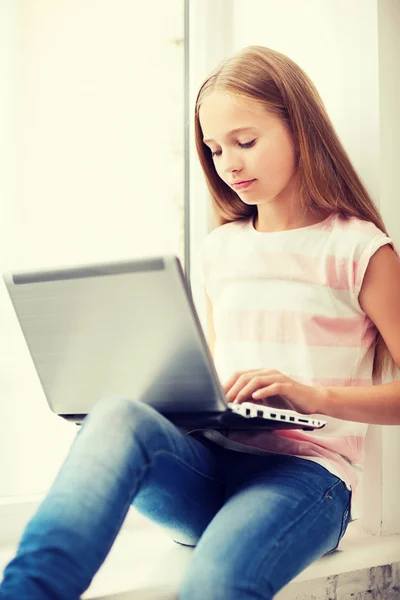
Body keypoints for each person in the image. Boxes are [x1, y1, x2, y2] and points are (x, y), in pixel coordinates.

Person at [1, 45, 400, 600]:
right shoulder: (220, 250)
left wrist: (311, 396)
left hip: (309, 479)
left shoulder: (360, 249)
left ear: (300, 128)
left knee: (213, 585)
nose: (228, 164)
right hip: (210, 464)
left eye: (245, 141)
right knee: (117, 413)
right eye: (214, 149)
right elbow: (217, 370)